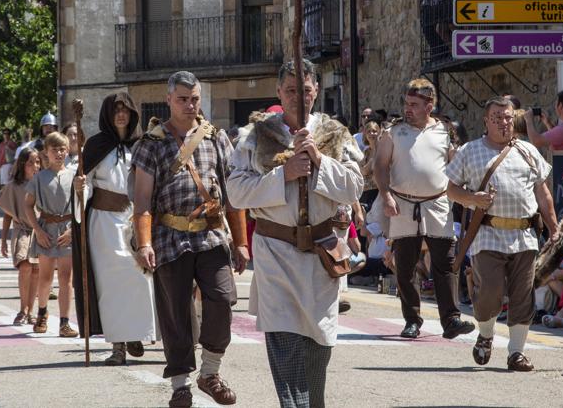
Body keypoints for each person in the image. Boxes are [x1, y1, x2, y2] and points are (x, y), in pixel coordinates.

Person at [228, 59, 362, 408]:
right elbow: (236, 193)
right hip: (275, 253)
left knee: (319, 342)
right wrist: (283, 174)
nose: (299, 98)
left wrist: (319, 160)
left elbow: (353, 188)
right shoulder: (255, 136)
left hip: (321, 254)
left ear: (316, 91)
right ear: (278, 92)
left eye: (305, 91)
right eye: (291, 91)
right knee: (285, 339)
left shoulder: (334, 134)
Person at [133, 71, 248, 408]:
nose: (189, 104)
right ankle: (180, 385)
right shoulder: (150, 144)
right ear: (169, 99)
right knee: (177, 312)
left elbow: (234, 194)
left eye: (194, 98)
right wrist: (143, 243)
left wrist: (241, 242)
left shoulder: (215, 138)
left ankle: (209, 373)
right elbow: (141, 200)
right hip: (169, 236)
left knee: (223, 299)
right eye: (182, 99)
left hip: (211, 235)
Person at [446, 96, 557, 372]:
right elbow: (450, 190)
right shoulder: (470, 151)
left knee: (523, 296)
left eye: (508, 117)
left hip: (525, 236)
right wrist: (473, 199)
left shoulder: (528, 151)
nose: (504, 122)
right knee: (490, 292)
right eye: (497, 117)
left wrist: (554, 229)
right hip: (487, 234)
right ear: (486, 121)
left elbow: (543, 195)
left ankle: (516, 353)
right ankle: (485, 334)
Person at [374, 78, 476, 341]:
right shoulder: (393, 132)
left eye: (414, 105)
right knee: (406, 267)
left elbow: (457, 166)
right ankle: (412, 320)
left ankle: (451, 319)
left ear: (430, 105)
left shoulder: (446, 131)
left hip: (437, 204)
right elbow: (381, 166)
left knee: (445, 264)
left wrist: (468, 192)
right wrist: (385, 195)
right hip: (403, 204)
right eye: (406, 103)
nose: (408, 109)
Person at [71, 92, 156, 365]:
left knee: (140, 280)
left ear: (132, 114)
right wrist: (80, 189)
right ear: (108, 114)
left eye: (125, 110)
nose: (121, 115)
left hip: (136, 220)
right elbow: (88, 185)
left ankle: (136, 334)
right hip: (105, 225)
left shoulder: (144, 144)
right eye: (116, 110)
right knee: (110, 286)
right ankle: (118, 346)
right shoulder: (96, 145)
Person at [23, 132, 78, 338]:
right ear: (46, 152)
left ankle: (64, 322)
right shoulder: (39, 178)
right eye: (54, 149)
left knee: (66, 278)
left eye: (62, 149)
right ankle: (42, 313)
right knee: (45, 277)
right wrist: (37, 230)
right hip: (46, 230)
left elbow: (81, 206)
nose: (59, 153)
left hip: (67, 230)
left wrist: (73, 230)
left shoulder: (74, 176)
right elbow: (28, 206)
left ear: (67, 150)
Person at [0, 147, 41, 325]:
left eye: (38, 162)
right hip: (22, 230)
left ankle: (31, 310)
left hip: (40, 232)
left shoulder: (43, 184)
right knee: (24, 267)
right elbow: (8, 213)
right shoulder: (14, 186)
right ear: (23, 164)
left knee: (37, 270)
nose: (35, 166)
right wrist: (4, 240)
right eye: (31, 162)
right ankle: (23, 309)